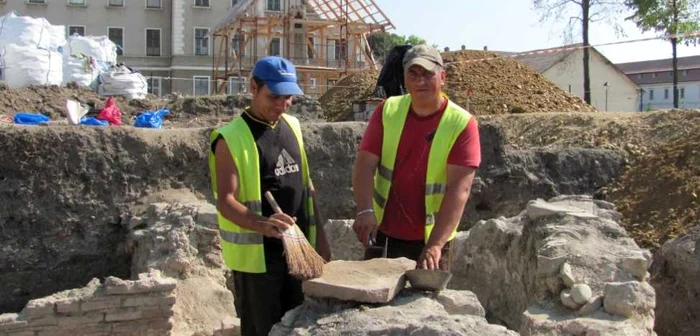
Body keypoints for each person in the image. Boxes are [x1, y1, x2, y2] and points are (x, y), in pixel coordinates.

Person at [209, 56, 331, 336]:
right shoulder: (231, 138)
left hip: (299, 253)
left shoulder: (293, 126)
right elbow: (226, 201)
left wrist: (321, 238)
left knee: (299, 326)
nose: (282, 104)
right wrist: (263, 224)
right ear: (253, 87)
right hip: (259, 261)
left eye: (288, 97)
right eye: (274, 96)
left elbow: (306, 185)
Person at [352, 44, 481, 270]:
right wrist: (365, 210)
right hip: (384, 235)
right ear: (404, 78)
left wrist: (435, 245)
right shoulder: (388, 110)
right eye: (413, 74)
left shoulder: (461, 123)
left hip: (432, 241)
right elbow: (364, 164)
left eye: (427, 74)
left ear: (443, 77)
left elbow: (459, 190)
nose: (420, 81)